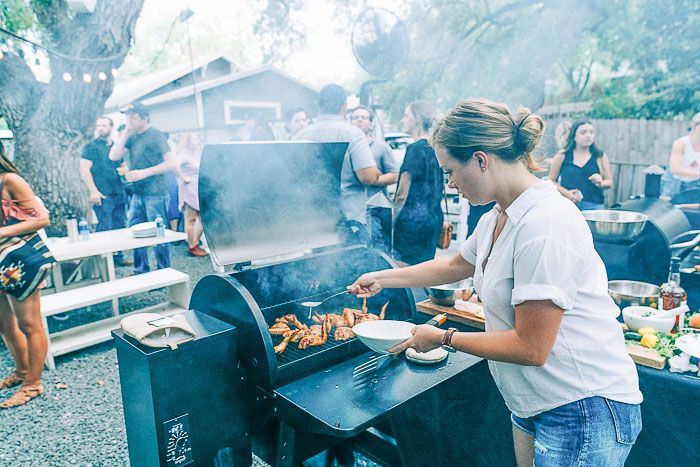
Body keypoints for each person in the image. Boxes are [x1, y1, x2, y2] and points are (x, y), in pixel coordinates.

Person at [349, 98, 642, 467]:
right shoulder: (499, 215)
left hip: (581, 405)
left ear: (481, 160)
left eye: (450, 171)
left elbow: (532, 346)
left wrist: (441, 337)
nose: (450, 184)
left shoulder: (544, 226)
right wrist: (382, 277)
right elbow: (455, 265)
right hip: (535, 398)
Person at [294, 84, 395, 229]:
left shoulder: (301, 136)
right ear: (344, 106)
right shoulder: (353, 134)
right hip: (349, 220)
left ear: (319, 106)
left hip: (314, 221)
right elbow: (368, 177)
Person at [0, 141, 51, 408]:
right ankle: (21, 372)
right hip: (1, 263)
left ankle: (33, 385)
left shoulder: (10, 180)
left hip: (19, 261)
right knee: (5, 324)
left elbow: (42, 219)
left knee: (29, 324)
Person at [109, 101, 176, 274]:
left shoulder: (156, 135)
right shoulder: (132, 136)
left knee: (158, 235)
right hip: (138, 193)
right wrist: (125, 133)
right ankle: (141, 270)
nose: (130, 119)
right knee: (135, 233)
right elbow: (113, 155)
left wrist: (145, 172)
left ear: (145, 118)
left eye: (134, 116)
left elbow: (171, 162)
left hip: (156, 193)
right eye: (128, 116)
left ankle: (163, 271)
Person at [392, 101, 444, 265]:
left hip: (412, 223)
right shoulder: (436, 147)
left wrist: (391, 221)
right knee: (424, 272)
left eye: (406, 115)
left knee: (405, 273)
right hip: (433, 219)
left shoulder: (414, 149)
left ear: (418, 118)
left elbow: (401, 195)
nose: (402, 120)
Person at [79, 116, 131, 266]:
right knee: (105, 228)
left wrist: (126, 170)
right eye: (98, 125)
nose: (100, 128)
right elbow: (84, 170)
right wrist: (93, 191)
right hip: (102, 194)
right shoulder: (90, 147)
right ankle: (104, 261)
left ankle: (118, 258)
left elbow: (123, 165)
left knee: (120, 226)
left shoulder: (115, 146)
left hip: (119, 192)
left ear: (111, 127)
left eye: (104, 125)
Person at [350, 105, 400, 251]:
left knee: (379, 249)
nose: (359, 120)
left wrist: (372, 179)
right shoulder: (348, 146)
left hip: (377, 209)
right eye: (356, 117)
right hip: (354, 210)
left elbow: (395, 174)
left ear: (371, 123)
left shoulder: (381, 147)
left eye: (364, 117)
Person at [549, 120, 612, 210]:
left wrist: (600, 182)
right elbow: (552, 182)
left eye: (591, 132)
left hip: (594, 206)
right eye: (583, 133)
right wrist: (567, 193)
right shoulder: (562, 156)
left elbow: (609, 182)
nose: (588, 135)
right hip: (567, 205)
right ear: (574, 136)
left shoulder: (600, 156)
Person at [176, 132, 207, 257]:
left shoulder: (196, 154)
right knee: (191, 220)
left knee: (205, 220)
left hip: (198, 188)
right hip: (188, 189)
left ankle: (195, 243)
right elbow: (174, 165)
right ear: (188, 142)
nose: (197, 141)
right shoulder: (183, 155)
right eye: (194, 139)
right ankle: (192, 246)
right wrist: (184, 177)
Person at [661, 112, 700, 198]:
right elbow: (675, 169)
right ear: (694, 126)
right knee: (668, 209)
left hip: (694, 185)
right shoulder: (681, 143)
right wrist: (698, 173)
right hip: (674, 184)